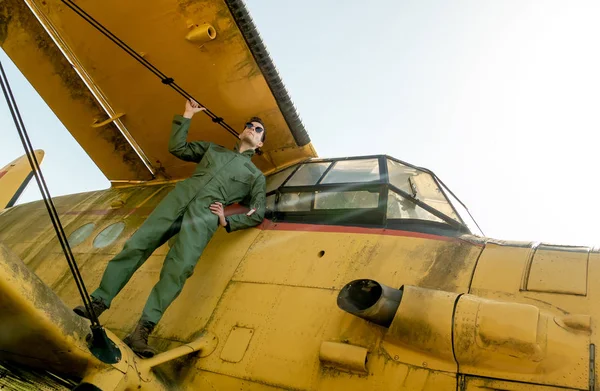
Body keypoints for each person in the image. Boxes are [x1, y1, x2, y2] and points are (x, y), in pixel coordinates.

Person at [74, 99, 267, 357]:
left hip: (204, 216)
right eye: (249, 126)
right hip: (177, 199)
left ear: (260, 144)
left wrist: (227, 220)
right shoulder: (214, 150)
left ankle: (141, 332)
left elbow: (258, 211)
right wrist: (187, 115)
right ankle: (98, 302)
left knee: (178, 269)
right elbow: (178, 147)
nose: (251, 129)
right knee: (137, 245)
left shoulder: (256, 176)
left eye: (257, 130)